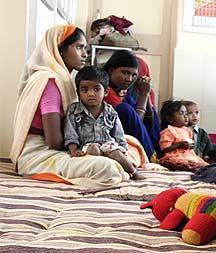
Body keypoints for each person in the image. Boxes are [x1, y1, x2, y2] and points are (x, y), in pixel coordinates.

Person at [10, 24, 129, 188]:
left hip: (58, 148)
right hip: (39, 154)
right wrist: (80, 146)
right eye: (79, 47)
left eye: (85, 48)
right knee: (107, 167)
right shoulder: (50, 82)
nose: (85, 54)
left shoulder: (63, 80)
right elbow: (54, 142)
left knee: (124, 145)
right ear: (60, 50)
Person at [64, 66, 145, 180]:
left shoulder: (111, 112)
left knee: (115, 152)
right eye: (85, 90)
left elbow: (119, 135)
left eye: (96, 89)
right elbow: (70, 134)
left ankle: (133, 172)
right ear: (78, 93)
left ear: (106, 92)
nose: (91, 94)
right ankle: (103, 173)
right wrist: (74, 151)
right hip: (86, 147)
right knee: (94, 149)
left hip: (108, 145)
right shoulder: (74, 111)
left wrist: (122, 151)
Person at [103, 50, 161, 160]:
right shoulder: (105, 90)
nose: (129, 79)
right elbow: (135, 123)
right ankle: (149, 156)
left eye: (134, 75)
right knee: (127, 110)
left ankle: (156, 155)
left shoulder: (121, 90)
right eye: (125, 73)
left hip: (122, 135)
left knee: (150, 111)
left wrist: (146, 94)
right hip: (107, 136)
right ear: (111, 70)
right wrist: (143, 95)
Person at [158, 100, 208, 171]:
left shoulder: (186, 130)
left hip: (188, 155)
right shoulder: (168, 131)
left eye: (186, 113)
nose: (185, 116)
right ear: (170, 118)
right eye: (181, 113)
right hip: (175, 156)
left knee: (202, 164)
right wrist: (179, 145)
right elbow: (164, 149)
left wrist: (190, 146)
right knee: (182, 163)